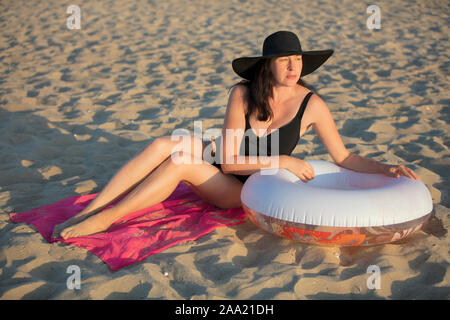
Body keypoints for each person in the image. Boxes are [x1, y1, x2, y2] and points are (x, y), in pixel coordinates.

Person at [53, 30, 420, 240]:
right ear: (267, 65)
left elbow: (344, 158)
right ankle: (92, 209)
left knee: (179, 160)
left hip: (241, 188)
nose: (293, 67)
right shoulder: (242, 93)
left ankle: (108, 218)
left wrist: (388, 169)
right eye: (283, 60)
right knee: (163, 144)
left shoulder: (313, 105)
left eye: (297, 59)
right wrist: (284, 159)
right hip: (224, 163)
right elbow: (227, 158)